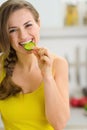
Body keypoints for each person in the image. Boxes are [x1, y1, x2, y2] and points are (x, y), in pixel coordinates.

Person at [0, 0, 70, 130]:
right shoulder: (0, 66)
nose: (23, 35)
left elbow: (59, 124)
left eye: (28, 25)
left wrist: (47, 76)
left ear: (39, 24)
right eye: (13, 30)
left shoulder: (59, 64)